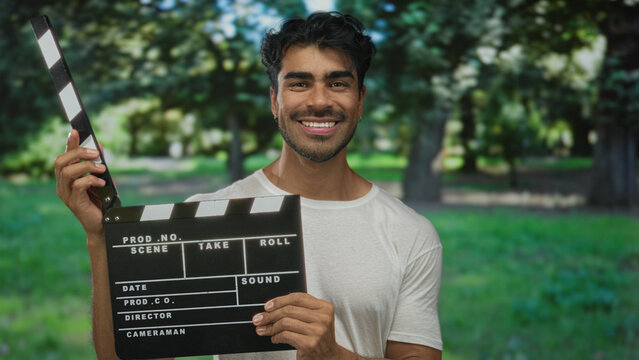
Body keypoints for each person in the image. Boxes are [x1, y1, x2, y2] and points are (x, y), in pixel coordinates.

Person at [55, 11, 442, 360]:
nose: (320, 101)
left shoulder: (409, 234)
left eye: (338, 83)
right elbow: (129, 357)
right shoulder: (203, 218)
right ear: (274, 100)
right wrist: (101, 239)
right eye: (299, 84)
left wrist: (332, 356)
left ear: (361, 100)